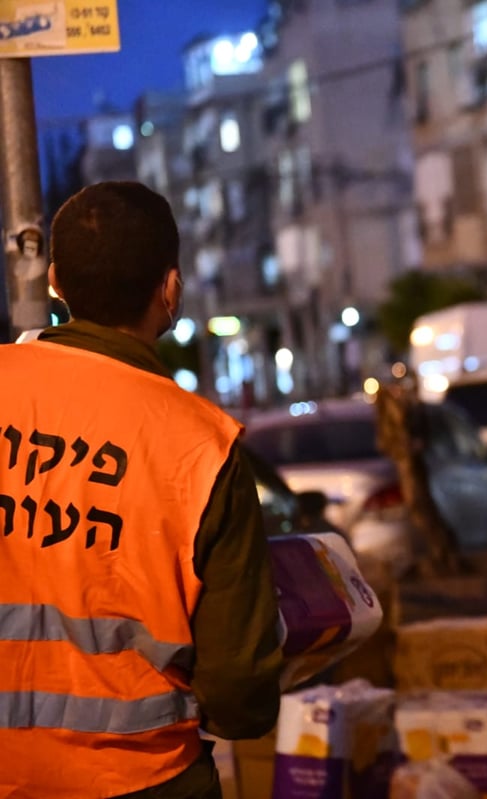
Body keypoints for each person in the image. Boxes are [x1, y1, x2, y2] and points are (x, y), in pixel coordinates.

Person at [0, 181, 283, 798]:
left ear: (54, 282)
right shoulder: (202, 446)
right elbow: (239, 697)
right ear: (170, 289)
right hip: (141, 779)